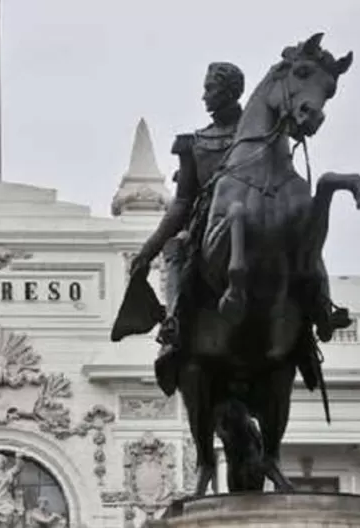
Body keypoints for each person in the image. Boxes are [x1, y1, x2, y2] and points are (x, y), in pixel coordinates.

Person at [128, 61, 247, 397]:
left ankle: (320, 306)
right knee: (177, 248)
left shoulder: (257, 137)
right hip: (209, 224)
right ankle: (174, 323)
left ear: (230, 91)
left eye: (210, 88)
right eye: (206, 87)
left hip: (255, 218)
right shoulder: (195, 143)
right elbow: (181, 204)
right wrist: (149, 248)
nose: (204, 95)